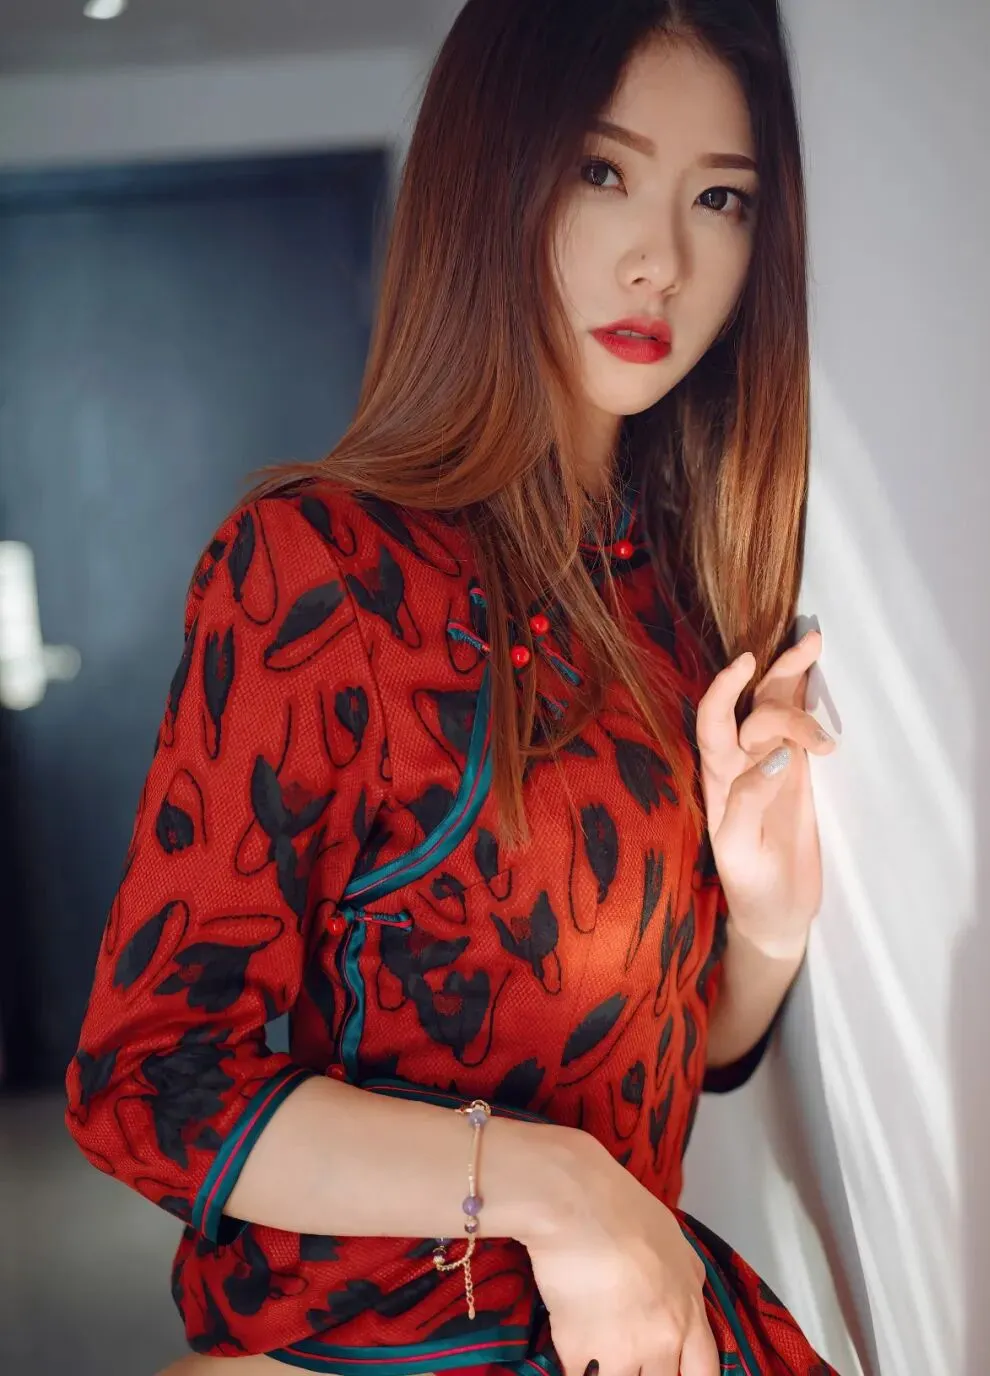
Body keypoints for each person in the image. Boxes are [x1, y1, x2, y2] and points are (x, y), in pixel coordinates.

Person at [65, 1, 842, 1372]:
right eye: (601, 170)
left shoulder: (687, 599)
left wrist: (767, 923)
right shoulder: (319, 570)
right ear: (491, 178)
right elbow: (151, 1083)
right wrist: (557, 1188)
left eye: (719, 199)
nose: (660, 261)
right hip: (371, 1347)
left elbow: (687, 1053)